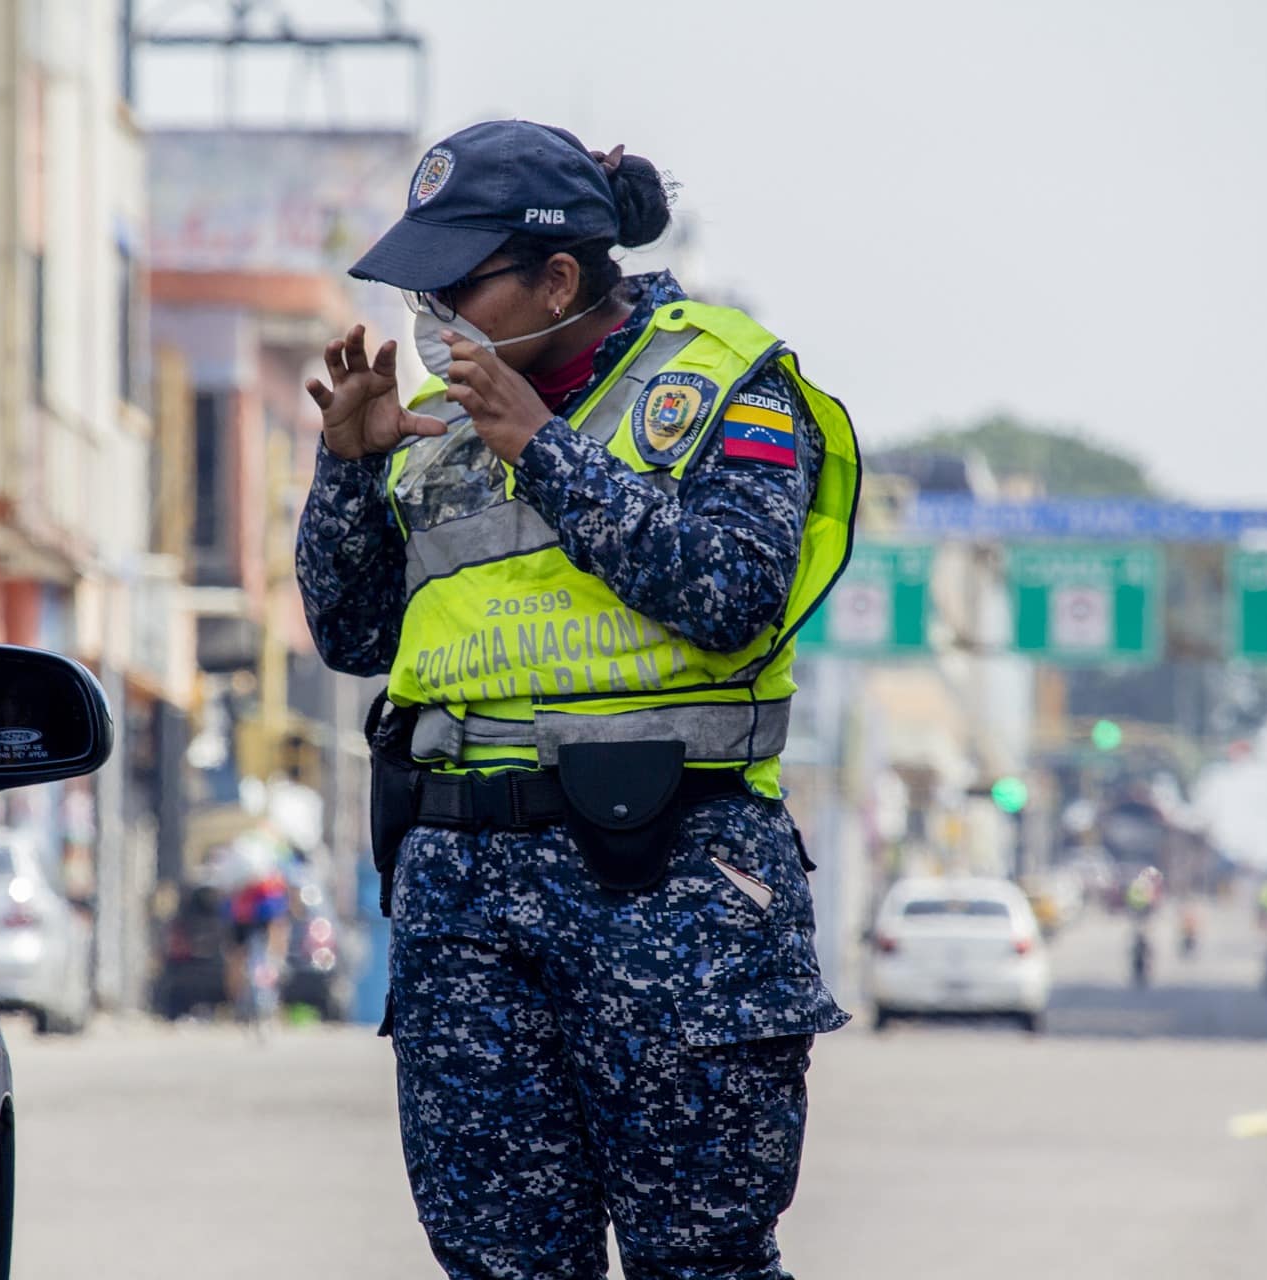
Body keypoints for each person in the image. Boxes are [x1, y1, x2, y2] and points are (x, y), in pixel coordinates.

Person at [295, 120, 860, 1279]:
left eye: (459, 283)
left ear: (560, 275)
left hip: (676, 895)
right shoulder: (437, 426)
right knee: (501, 1264)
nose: (435, 313)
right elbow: (353, 631)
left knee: (700, 1260)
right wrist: (349, 470)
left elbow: (734, 592)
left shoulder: (720, 382)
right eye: (422, 289)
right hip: (465, 910)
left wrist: (544, 446)